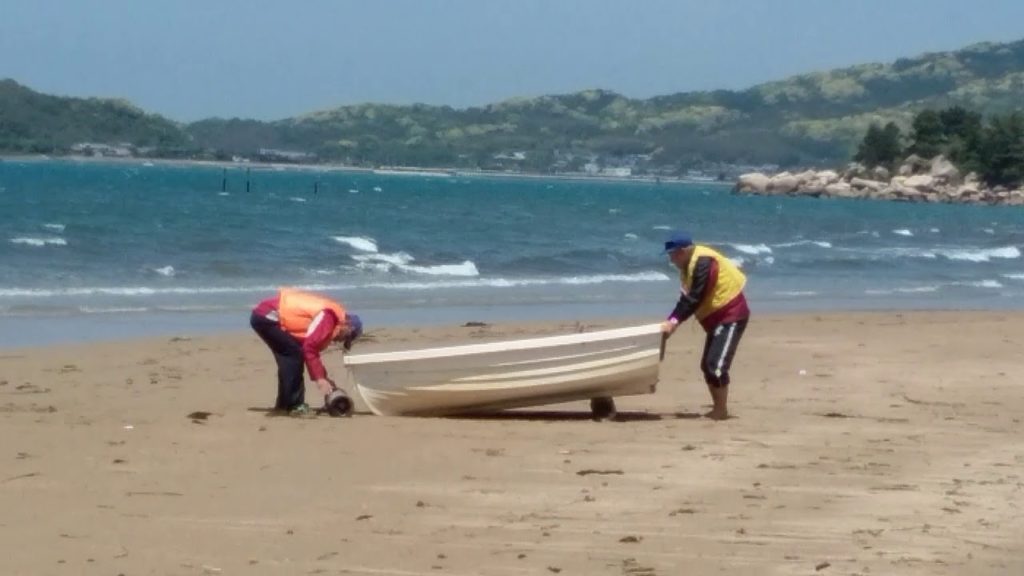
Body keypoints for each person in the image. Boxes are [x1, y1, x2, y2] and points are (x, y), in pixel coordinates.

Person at [660, 231, 750, 420]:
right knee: (707, 366)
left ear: (684, 251)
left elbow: (695, 298)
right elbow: (685, 299)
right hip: (715, 318)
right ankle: (719, 408)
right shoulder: (687, 268)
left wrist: (674, 322)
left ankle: (721, 410)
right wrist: (671, 321)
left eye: (673, 255)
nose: (671, 260)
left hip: (731, 315)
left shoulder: (703, 262)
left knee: (715, 365)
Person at [249, 287, 364, 416]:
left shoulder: (332, 320)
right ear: (347, 326)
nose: (339, 341)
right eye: (345, 338)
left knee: (291, 356)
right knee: (293, 355)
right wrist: (320, 379)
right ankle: (294, 406)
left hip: (265, 316)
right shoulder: (329, 318)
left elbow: (310, 351)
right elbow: (310, 348)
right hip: (267, 316)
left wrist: (324, 378)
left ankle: (284, 405)